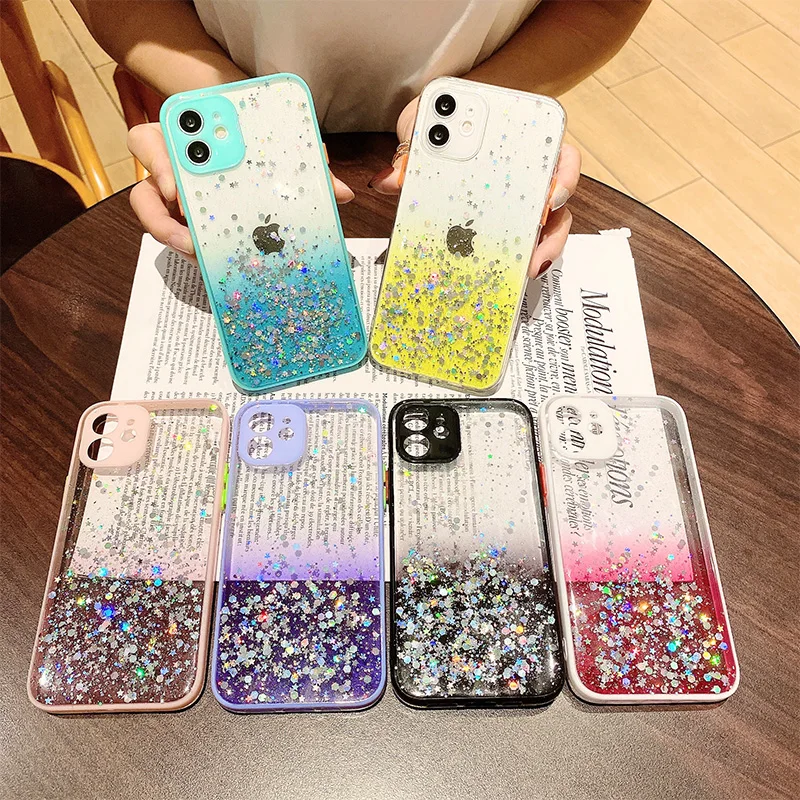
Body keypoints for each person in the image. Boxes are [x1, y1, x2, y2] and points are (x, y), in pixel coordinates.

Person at [74, 0, 650, 276]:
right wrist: (231, 105)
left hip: (470, 132)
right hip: (238, 127)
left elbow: (603, 6)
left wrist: (488, 107)